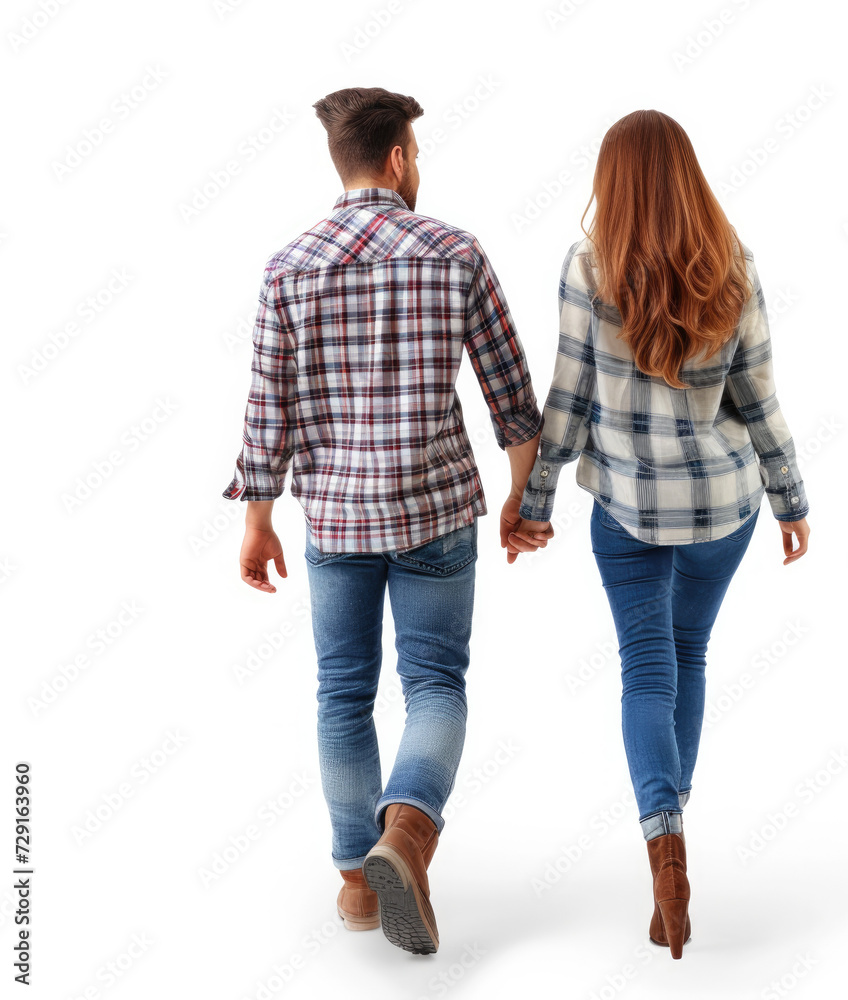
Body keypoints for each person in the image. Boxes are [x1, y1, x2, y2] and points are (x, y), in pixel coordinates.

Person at [220, 86, 552, 955]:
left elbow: (268, 410)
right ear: (401, 158)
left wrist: (258, 518)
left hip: (334, 516)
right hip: (437, 509)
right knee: (435, 684)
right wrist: (526, 500)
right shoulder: (454, 251)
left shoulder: (289, 266)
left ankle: (357, 887)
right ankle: (405, 834)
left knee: (342, 694)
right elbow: (511, 396)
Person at [509, 109, 812, 959]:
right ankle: (675, 833)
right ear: (688, 174)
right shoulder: (733, 263)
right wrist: (791, 499)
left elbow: (566, 401)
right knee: (692, 656)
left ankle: (663, 842)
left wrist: (535, 502)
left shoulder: (587, 267)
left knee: (647, 667)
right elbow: (759, 400)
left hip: (630, 514)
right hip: (725, 508)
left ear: (613, 180)